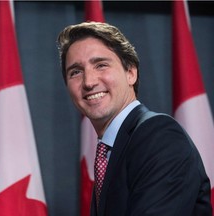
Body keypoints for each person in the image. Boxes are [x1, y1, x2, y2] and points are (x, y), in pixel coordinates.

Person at [57, 22, 212, 216]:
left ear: (131, 72)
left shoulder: (159, 136)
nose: (89, 82)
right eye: (76, 72)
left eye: (101, 65)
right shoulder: (110, 151)